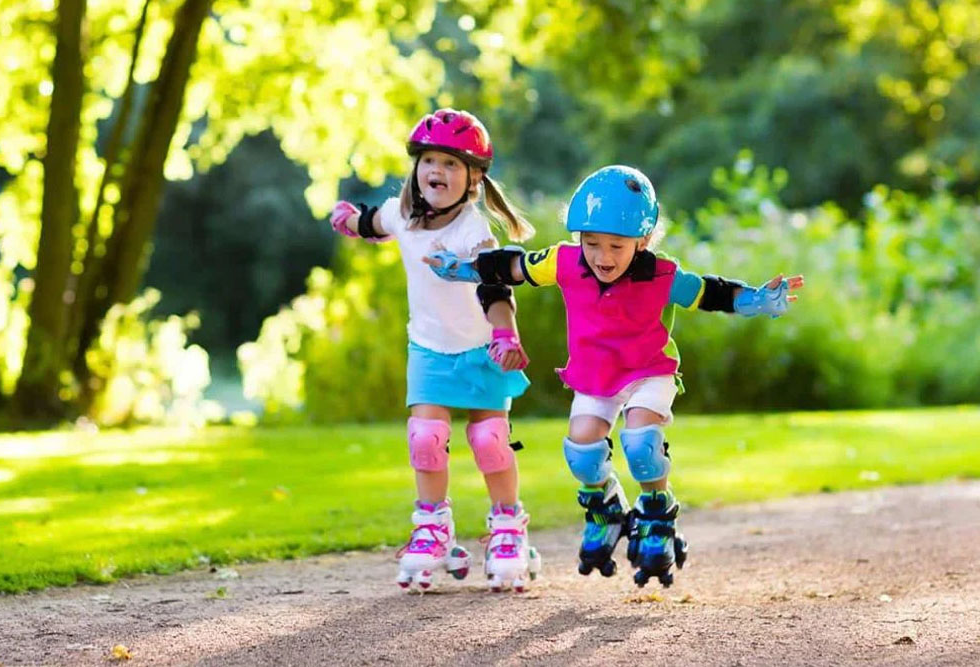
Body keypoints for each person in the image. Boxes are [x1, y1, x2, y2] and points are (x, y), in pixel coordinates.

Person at [425, 165, 804, 587]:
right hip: (595, 374)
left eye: (617, 246)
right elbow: (511, 266)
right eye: (592, 243)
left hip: (648, 371)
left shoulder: (662, 276)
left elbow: (712, 292)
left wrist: (754, 300)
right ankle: (606, 507)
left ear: (642, 241)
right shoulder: (564, 263)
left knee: (641, 441)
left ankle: (657, 513)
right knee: (581, 449)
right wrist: (463, 268)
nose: (603, 257)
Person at [328, 108, 541, 592]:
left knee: (490, 442)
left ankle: (508, 525)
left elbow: (495, 290)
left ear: (473, 179)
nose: (436, 172)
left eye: (450, 163)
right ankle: (433, 527)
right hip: (428, 349)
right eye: (429, 160)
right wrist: (350, 220)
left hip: (482, 349)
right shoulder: (403, 215)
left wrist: (506, 335)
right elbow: (374, 222)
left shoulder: (473, 231)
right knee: (425, 437)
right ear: (416, 167)